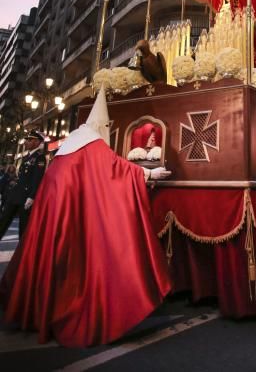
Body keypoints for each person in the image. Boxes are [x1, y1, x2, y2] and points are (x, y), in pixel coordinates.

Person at [0, 87, 172, 347]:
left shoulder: (72, 141)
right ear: (101, 125)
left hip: (51, 209)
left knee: (49, 257)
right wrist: (148, 174)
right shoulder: (92, 142)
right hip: (65, 208)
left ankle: (37, 308)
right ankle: (59, 310)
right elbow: (114, 167)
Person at [0, 130, 46, 240]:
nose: (26, 142)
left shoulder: (40, 158)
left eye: (29, 140)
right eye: (26, 139)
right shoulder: (27, 157)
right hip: (16, 195)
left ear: (37, 142)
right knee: (3, 220)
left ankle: (22, 254)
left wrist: (32, 196)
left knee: (23, 227)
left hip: (25, 197)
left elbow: (37, 178)